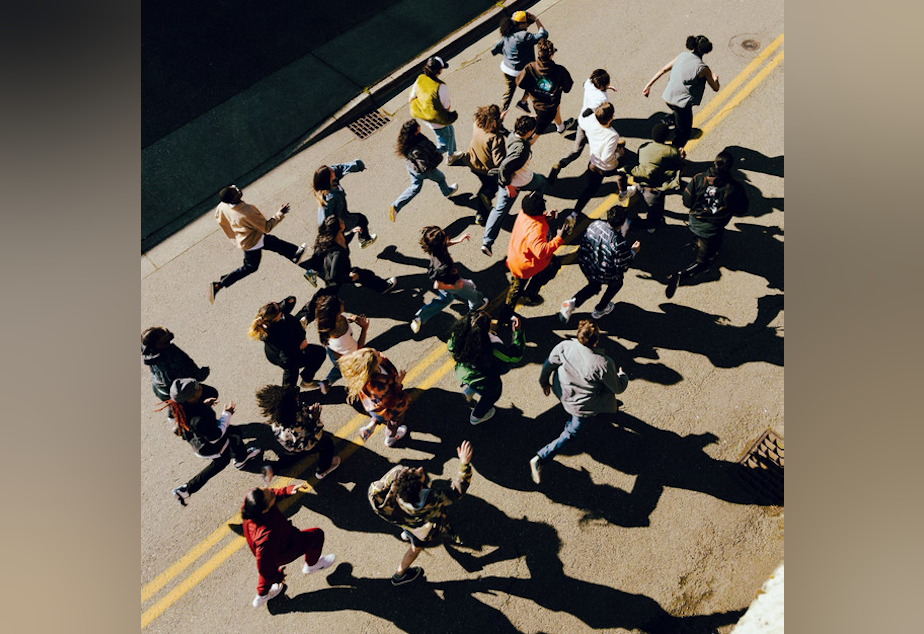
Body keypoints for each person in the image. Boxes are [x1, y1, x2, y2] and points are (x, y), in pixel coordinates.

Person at [530, 321, 629, 484]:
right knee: (571, 433)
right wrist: (622, 376)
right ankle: (541, 456)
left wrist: (544, 382)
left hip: (562, 391)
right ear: (596, 341)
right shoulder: (603, 363)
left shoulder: (564, 346)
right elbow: (617, 388)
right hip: (581, 406)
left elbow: (548, 365)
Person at [368, 441, 474, 586]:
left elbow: (375, 490)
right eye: (418, 473)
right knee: (415, 549)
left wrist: (396, 474)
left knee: (409, 534)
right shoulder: (432, 498)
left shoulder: (395, 496)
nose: (420, 468)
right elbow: (457, 490)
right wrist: (464, 463)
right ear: (419, 487)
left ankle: (405, 541)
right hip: (423, 530)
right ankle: (399, 574)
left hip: (406, 522)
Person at [158, 378, 262, 506]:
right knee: (227, 451)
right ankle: (188, 488)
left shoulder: (179, 406)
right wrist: (227, 414)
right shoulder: (200, 418)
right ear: (190, 399)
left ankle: (186, 489)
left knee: (233, 432)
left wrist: (204, 404)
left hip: (198, 441)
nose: (200, 387)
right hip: (210, 446)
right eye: (196, 389)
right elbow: (216, 436)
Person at [665, 150, 749, 298]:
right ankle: (682, 274)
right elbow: (742, 209)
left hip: (694, 221)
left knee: (701, 236)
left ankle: (696, 241)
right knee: (704, 260)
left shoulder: (699, 179)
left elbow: (686, 201)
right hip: (712, 229)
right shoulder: (734, 188)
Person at [242, 483, 336, 608]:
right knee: (317, 535)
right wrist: (278, 577)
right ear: (264, 510)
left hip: (267, 549)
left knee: (269, 566)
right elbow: (264, 566)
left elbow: (265, 564)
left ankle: (261, 595)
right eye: (270, 494)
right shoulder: (266, 534)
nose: (270, 490)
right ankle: (311, 565)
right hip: (286, 548)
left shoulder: (251, 502)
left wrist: (286, 491)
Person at [209, 184, 306, 304]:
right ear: (233, 199)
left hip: (246, 237)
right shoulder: (247, 211)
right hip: (252, 241)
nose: (238, 189)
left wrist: (234, 234)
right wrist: (280, 213)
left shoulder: (223, 206)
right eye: (235, 191)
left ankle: (294, 254)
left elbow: (219, 217)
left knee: (272, 245)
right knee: (253, 263)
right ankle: (220, 284)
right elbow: (266, 227)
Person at [559, 204, 640, 324]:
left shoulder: (595, 225)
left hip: (586, 264)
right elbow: (623, 265)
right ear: (622, 223)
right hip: (602, 272)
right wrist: (633, 251)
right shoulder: (619, 243)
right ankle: (600, 309)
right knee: (617, 283)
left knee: (594, 285)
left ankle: (572, 303)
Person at [642, 35, 720, 154]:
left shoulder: (682, 56)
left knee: (677, 113)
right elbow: (715, 88)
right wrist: (715, 78)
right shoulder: (703, 68)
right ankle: (674, 152)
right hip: (682, 104)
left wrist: (648, 86)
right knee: (684, 132)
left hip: (668, 97)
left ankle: (670, 119)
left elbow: (663, 70)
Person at [480, 116, 545, 256]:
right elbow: (504, 167)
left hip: (510, 181)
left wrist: (499, 121)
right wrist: (508, 185)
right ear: (528, 132)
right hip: (520, 180)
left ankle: (487, 242)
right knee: (542, 183)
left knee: (499, 210)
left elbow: (504, 131)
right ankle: (534, 212)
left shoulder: (512, 136)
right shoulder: (521, 149)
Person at [447, 310, 525, 425]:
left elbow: (451, 347)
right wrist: (517, 333)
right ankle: (477, 416)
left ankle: (470, 390)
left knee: (474, 378)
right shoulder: (492, 347)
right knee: (492, 394)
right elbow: (514, 357)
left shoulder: (458, 336)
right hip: (483, 380)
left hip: (464, 372)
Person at [410, 226, 487, 334]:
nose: (448, 236)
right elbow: (437, 285)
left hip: (442, 278)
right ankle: (477, 306)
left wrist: (458, 240)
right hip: (451, 283)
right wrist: (455, 287)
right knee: (470, 287)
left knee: (445, 299)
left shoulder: (433, 250)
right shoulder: (445, 265)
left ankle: (420, 317)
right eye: (446, 237)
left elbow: (445, 245)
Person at [254, 385, 341, 478]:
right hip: (299, 443)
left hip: (288, 444)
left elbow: (299, 410)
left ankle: (272, 468)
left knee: (290, 458)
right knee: (326, 443)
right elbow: (308, 444)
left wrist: (308, 410)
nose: (298, 398)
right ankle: (322, 470)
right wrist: (316, 419)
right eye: (295, 399)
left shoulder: (283, 413)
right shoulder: (293, 427)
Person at [501, 192, 565, 317]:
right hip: (523, 266)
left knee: (553, 264)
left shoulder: (523, 213)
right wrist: (559, 238)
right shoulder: (537, 229)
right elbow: (541, 252)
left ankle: (529, 293)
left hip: (517, 255)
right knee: (516, 290)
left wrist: (545, 217)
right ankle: (505, 316)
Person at [547, 68, 616, 184]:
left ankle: (560, 164)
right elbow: (591, 109)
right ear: (606, 84)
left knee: (576, 150)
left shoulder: (589, 83)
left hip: (582, 123)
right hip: (593, 127)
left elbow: (585, 84)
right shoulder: (602, 98)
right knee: (603, 142)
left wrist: (605, 88)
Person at [248, 296, 327, 390]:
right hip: (286, 355)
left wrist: (287, 301)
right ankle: (296, 387)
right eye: (279, 308)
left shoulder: (271, 320)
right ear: (277, 316)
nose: (280, 306)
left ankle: (298, 384)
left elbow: (287, 305)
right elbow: (287, 357)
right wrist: (300, 347)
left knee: (308, 311)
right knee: (318, 353)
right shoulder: (277, 333)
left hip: (275, 351)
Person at [571, 102, 635, 216]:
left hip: (593, 164)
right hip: (608, 167)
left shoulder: (590, 122)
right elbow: (606, 158)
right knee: (625, 166)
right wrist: (618, 154)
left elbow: (582, 118)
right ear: (611, 118)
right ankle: (623, 192)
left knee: (590, 189)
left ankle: (574, 214)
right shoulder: (612, 135)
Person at [389, 120, 458, 222]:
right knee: (441, 178)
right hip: (424, 170)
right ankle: (447, 192)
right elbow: (425, 166)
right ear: (415, 130)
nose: (420, 126)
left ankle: (395, 206)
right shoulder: (418, 147)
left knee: (415, 188)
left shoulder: (407, 141)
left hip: (412, 167)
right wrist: (437, 157)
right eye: (418, 126)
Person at [339, 348, 410, 447]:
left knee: (379, 413)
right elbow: (390, 401)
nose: (380, 353)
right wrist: (398, 384)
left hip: (373, 405)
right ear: (373, 365)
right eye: (378, 355)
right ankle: (390, 437)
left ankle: (371, 426)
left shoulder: (364, 374)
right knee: (394, 421)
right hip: (388, 407)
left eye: (376, 352)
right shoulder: (376, 385)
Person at [308, 216, 396, 295]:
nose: (343, 221)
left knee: (332, 290)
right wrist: (350, 278)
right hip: (340, 271)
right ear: (339, 227)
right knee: (363, 276)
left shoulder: (337, 236)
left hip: (337, 267)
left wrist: (352, 233)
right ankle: (383, 286)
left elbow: (344, 241)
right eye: (341, 222)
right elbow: (334, 275)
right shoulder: (337, 253)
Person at [408, 56, 465, 164]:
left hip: (426, 117)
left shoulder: (420, 79)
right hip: (438, 121)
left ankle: (451, 154)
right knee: (443, 145)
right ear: (438, 71)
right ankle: (425, 158)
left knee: (450, 130)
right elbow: (446, 107)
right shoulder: (441, 87)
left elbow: (411, 98)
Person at [490, 11, 548, 118]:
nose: (528, 25)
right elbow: (543, 35)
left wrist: (509, 56)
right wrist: (536, 19)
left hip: (507, 69)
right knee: (536, 86)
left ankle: (499, 119)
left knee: (508, 94)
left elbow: (494, 49)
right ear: (521, 24)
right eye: (527, 23)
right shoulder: (524, 36)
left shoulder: (507, 34)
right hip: (521, 71)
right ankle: (538, 114)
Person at [629, 122, 684, 233]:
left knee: (643, 204)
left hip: (641, 184)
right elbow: (679, 168)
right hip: (655, 190)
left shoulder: (643, 147)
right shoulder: (671, 151)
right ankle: (650, 226)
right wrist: (681, 157)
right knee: (655, 213)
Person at [313, 161, 377, 250]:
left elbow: (340, 168)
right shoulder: (330, 198)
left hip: (344, 215)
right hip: (339, 222)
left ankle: (364, 239)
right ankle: (364, 240)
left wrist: (357, 165)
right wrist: (328, 230)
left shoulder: (333, 180)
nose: (333, 170)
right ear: (329, 176)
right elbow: (324, 216)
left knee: (361, 220)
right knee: (361, 220)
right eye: (332, 171)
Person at [141, 326, 215, 403]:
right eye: (165, 340)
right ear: (159, 344)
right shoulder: (169, 357)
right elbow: (179, 379)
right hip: (177, 393)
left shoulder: (150, 353)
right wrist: (199, 375)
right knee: (212, 393)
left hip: (160, 389)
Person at [515, 39, 574, 135]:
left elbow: (520, 82)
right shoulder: (560, 70)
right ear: (552, 55)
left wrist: (531, 89)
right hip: (552, 103)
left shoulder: (530, 67)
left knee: (552, 112)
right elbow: (568, 87)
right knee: (538, 132)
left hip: (536, 102)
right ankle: (554, 127)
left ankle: (560, 127)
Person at [313, 294, 369, 392]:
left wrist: (351, 319)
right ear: (336, 312)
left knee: (338, 368)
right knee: (352, 370)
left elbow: (342, 320)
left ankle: (327, 382)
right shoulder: (342, 335)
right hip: (345, 356)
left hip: (333, 352)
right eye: (340, 303)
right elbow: (358, 349)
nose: (342, 302)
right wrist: (364, 329)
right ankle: (354, 387)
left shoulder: (327, 322)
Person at [466, 104, 507, 223]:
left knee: (485, 183)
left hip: (473, 162)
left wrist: (499, 120)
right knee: (490, 187)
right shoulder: (495, 138)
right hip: (486, 168)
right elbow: (498, 161)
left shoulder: (477, 125)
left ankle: (481, 210)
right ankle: (482, 210)